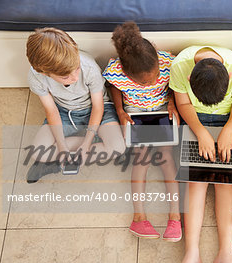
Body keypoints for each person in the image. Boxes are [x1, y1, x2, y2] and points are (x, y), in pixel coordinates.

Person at [164, 45, 232, 263]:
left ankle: (226, 255)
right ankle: (192, 254)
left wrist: (228, 131)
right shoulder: (180, 66)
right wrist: (201, 133)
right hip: (195, 119)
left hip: (229, 120)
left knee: (226, 182)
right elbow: (183, 105)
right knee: (195, 182)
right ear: (190, 78)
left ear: (230, 77)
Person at [102, 22, 182, 242]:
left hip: (161, 108)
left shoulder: (168, 61)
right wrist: (119, 110)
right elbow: (113, 87)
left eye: (155, 76)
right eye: (145, 81)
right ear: (128, 74)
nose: (153, 82)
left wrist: (173, 102)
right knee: (141, 158)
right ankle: (139, 217)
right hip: (134, 111)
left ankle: (175, 217)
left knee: (166, 155)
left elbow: (175, 83)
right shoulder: (116, 71)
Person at [25, 27, 125, 183]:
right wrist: (62, 146)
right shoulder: (36, 76)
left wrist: (86, 144)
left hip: (98, 110)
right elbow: (51, 111)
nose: (75, 77)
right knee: (37, 153)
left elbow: (98, 107)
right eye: (65, 77)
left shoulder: (88, 66)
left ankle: (92, 142)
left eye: (77, 69)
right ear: (44, 73)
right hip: (64, 112)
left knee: (118, 147)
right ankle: (96, 145)